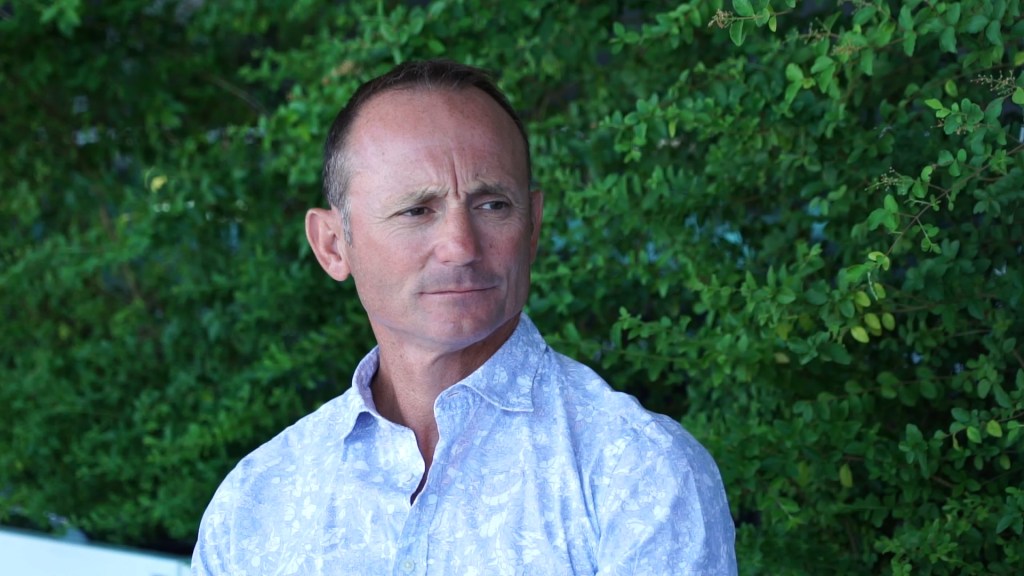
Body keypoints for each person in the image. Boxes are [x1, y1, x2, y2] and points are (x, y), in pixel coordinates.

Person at [192, 59, 737, 575]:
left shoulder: (638, 473)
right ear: (333, 245)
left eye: (492, 205)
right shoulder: (255, 503)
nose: (460, 246)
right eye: (417, 210)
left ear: (533, 226)